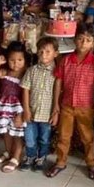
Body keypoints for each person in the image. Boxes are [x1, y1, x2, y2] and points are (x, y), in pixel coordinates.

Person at [46, 23, 94, 179]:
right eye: (80, 39)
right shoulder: (66, 60)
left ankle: (92, 163)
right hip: (66, 105)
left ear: (93, 42)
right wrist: (56, 106)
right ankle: (60, 162)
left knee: (88, 137)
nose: (83, 43)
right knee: (64, 136)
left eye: (87, 40)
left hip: (86, 107)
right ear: (74, 39)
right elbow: (58, 81)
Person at [0, 41, 28, 173]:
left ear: (25, 59)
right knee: (5, 131)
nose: (15, 63)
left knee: (17, 134)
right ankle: (8, 152)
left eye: (19, 60)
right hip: (4, 107)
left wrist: (22, 114)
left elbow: (28, 95)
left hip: (18, 109)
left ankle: (16, 157)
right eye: (12, 60)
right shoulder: (5, 71)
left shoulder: (26, 74)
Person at [20, 36, 59, 172]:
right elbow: (25, 90)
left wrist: (55, 113)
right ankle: (30, 156)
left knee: (44, 138)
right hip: (32, 111)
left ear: (55, 53)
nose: (44, 54)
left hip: (46, 114)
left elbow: (57, 95)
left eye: (48, 51)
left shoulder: (57, 73)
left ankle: (41, 158)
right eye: (41, 51)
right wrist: (26, 110)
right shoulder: (32, 70)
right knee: (29, 137)